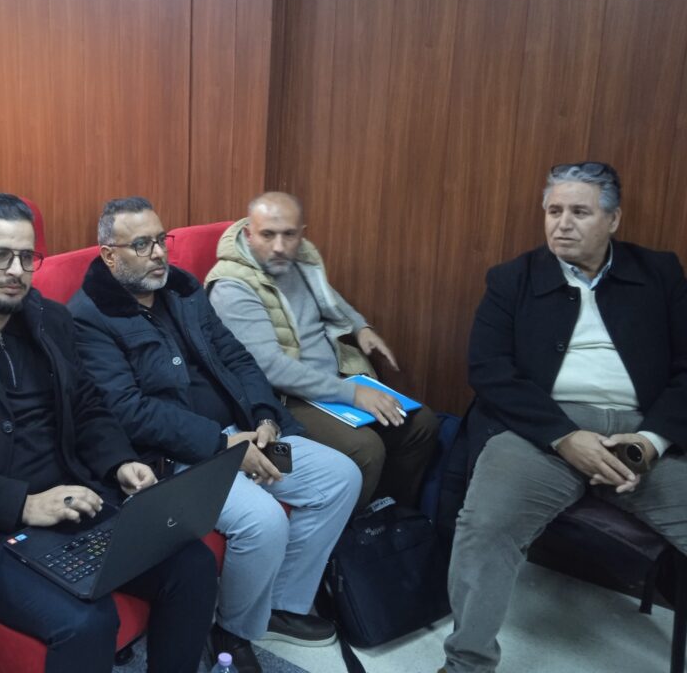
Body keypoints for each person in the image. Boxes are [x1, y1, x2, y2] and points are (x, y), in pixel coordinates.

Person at [0, 193, 218, 673]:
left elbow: (87, 406)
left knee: (191, 565)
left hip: (76, 499)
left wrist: (119, 460)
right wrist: (25, 504)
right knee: (86, 621)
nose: (16, 270)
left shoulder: (50, 319)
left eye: (26, 257)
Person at [68, 197, 360, 673]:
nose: (157, 253)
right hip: (175, 455)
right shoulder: (88, 317)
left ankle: (281, 607)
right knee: (263, 522)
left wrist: (265, 416)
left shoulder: (183, 288)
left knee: (341, 477)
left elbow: (237, 356)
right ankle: (231, 628)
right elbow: (127, 411)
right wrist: (223, 446)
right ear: (109, 255)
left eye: (160, 240)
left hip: (241, 431)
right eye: (141, 245)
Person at [439, 163, 687, 673]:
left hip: (643, 430)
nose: (563, 224)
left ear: (613, 219)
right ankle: (466, 663)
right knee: (485, 525)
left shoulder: (660, 273)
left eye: (579, 212)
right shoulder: (513, 278)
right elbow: (489, 370)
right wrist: (565, 437)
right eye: (554, 211)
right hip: (542, 430)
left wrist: (649, 443)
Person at [207, 191, 439, 508]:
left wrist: (360, 327)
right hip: (284, 397)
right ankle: (351, 529)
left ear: (301, 234)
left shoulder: (299, 260)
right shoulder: (232, 286)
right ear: (249, 234)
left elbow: (329, 297)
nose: (279, 246)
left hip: (333, 380)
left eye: (289, 235)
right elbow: (269, 368)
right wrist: (353, 395)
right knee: (366, 449)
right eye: (267, 235)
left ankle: (385, 512)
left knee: (421, 424)